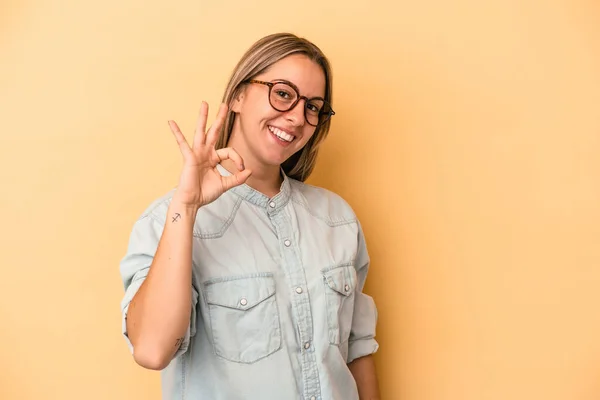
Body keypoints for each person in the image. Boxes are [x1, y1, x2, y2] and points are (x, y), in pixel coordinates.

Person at [119, 32, 380, 400]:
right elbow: (151, 349)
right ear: (239, 95)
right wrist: (187, 208)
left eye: (313, 107)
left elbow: (357, 350)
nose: (296, 117)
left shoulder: (337, 220)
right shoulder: (169, 220)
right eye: (283, 93)